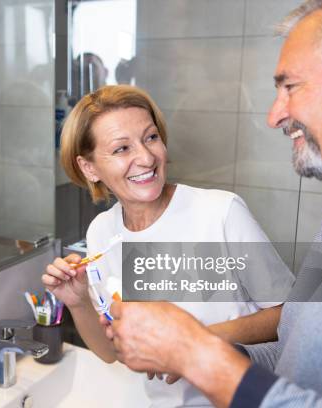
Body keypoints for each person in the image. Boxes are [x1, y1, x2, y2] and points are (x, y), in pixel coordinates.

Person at [104, 1, 322, 407]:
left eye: (291, 87)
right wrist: (192, 353)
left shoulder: (221, 210)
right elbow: (290, 356)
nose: (274, 115)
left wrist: (197, 353)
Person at [43, 84, 294, 407]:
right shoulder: (101, 233)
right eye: (122, 149)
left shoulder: (221, 212)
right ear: (89, 168)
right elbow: (111, 353)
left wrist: (192, 344)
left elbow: (288, 318)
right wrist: (78, 303)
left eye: (151, 137)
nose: (146, 157)